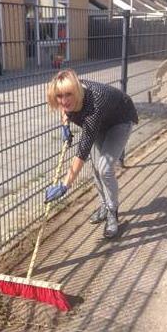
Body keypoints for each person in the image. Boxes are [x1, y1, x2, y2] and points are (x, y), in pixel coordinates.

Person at [44, 69, 138, 238]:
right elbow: (64, 108)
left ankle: (112, 212)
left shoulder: (94, 107)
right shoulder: (69, 97)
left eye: (68, 95)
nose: (64, 100)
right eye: (59, 96)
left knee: (104, 168)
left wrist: (65, 185)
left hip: (120, 120)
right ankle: (103, 205)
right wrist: (65, 126)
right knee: (95, 168)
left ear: (77, 91)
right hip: (102, 123)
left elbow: (82, 152)